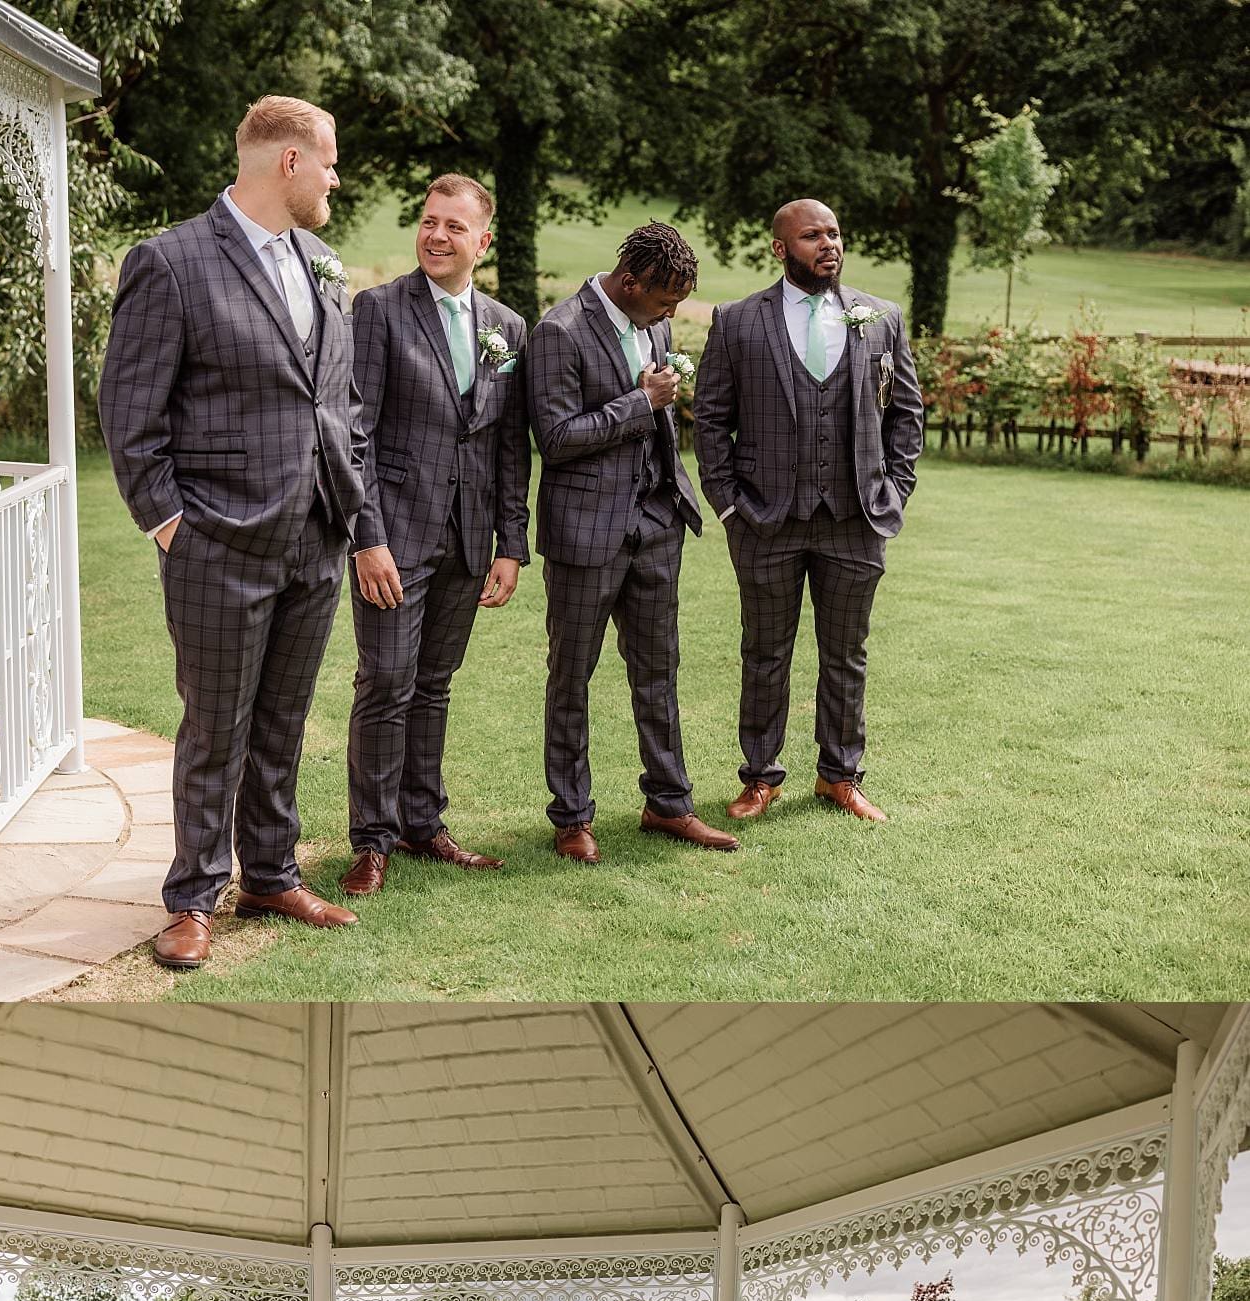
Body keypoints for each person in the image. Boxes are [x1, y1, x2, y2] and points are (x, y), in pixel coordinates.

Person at [98, 94, 366, 970]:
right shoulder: (170, 263)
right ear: (287, 162)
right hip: (217, 546)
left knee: (284, 720)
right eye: (328, 161)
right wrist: (173, 523)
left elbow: (339, 405)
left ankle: (270, 872)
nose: (336, 176)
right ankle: (191, 898)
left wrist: (352, 519)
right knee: (216, 728)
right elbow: (130, 416)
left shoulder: (324, 263)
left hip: (313, 541)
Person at [692, 197, 921, 827]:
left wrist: (894, 490)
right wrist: (728, 503)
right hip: (765, 520)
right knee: (765, 652)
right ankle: (760, 777)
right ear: (780, 248)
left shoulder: (880, 318)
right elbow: (711, 418)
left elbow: (906, 413)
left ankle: (840, 776)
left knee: (846, 652)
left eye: (835, 234)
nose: (829, 245)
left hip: (856, 518)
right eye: (812, 236)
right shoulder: (737, 321)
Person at [527, 223, 738, 867]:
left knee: (659, 668)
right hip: (586, 532)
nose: (673, 312)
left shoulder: (655, 325)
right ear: (632, 282)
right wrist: (640, 402)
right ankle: (571, 816)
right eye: (667, 299)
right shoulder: (558, 332)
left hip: (654, 528)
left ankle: (668, 803)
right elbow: (556, 436)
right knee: (572, 676)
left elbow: (658, 421)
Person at [342, 173, 529, 897]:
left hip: (468, 537)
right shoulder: (379, 312)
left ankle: (423, 825)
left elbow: (511, 444)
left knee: (434, 685)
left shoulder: (506, 329)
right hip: (394, 535)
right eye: (428, 221)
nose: (437, 236)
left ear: (483, 240)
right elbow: (354, 434)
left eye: (454, 226)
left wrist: (510, 544)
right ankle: (372, 842)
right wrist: (367, 538)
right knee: (385, 681)